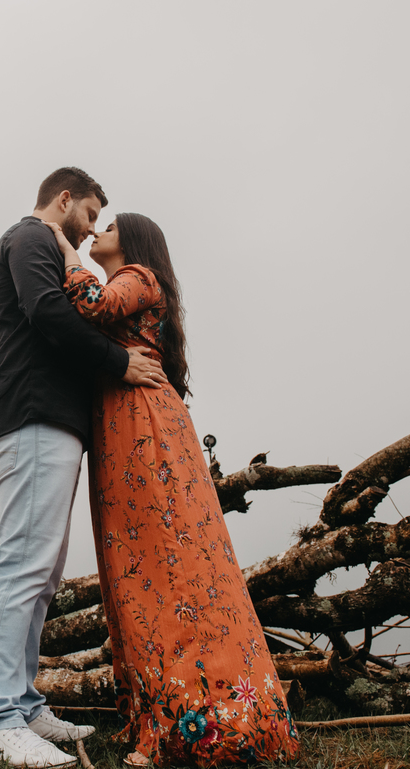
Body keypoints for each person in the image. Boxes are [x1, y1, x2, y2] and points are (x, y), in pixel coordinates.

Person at [45, 213, 301, 767]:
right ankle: (160, 715)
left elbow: (93, 306)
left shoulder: (140, 275)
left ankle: (202, 724)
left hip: (145, 429)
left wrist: (68, 252)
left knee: (170, 562)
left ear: (134, 241)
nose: (98, 232)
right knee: (135, 565)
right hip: (122, 431)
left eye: (108, 225)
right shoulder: (129, 279)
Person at [0, 169, 168, 768]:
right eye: (88, 214)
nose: (88, 232)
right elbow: (49, 315)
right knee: (24, 563)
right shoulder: (30, 236)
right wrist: (118, 362)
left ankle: (26, 706)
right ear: (65, 200)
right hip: (29, 413)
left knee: (44, 571)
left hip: (49, 420)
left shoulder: (42, 240)